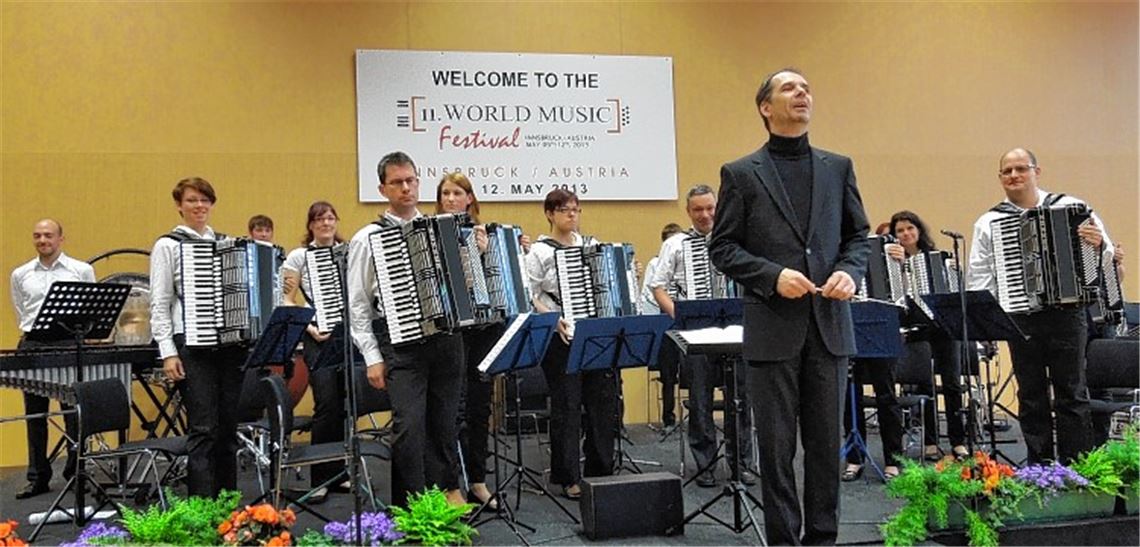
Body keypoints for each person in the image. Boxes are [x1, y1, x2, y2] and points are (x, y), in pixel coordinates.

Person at [709, 68, 870, 545]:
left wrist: (850, 271)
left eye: (806, 88)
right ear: (766, 107)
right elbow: (724, 248)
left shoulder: (837, 166)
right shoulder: (740, 173)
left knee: (824, 448)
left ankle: (823, 538)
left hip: (829, 327)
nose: (802, 93)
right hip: (772, 327)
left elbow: (858, 236)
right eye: (789, 88)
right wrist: (772, 277)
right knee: (777, 450)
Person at [966, 148, 1113, 465]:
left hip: (1069, 314)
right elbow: (979, 277)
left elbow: (1108, 258)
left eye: (1021, 168)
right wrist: (990, 323)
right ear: (1000, 178)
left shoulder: (1072, 207)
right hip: (1021, 317)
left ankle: (1078, 467)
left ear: (1037, 171)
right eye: (1007, 171)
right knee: (1031, 395)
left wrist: (1098, 245)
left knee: (1071, 392)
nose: (1014, 175)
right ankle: (1039, 466)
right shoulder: (990, 222)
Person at [347, 151, 466, 508]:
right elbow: (357, 305)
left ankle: (446, 495)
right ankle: (411, 507)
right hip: (400, 343)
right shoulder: (367, 238)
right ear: (383, 188)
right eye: (397, 182)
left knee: (445, 423)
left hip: (447, 339)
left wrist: (471, 254)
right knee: (409, 428)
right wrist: (371, 356)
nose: (406, 188)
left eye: (411, 180)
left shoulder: (442, 228)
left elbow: (462, 286)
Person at [651, 185, 755, 487]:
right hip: (696, 333)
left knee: (740, 399)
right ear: (688, 212)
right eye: (698, 209)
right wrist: (679, 315)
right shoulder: (675, 244)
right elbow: (658, 286)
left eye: (710, 208)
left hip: (737, 332)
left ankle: (742, 463)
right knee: (700, 401)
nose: (705, 214)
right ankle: (705, 465)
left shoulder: (736, 240)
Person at [150, 177, 246, 497]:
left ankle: (228, 504)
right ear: (179, 206)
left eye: (205, 200)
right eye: (192, 200)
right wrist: (168, 351)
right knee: (203, 429)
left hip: (229, 345)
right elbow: (160, 302)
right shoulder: (168, 245)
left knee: (228, 429)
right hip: (191, 346)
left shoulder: (227, 242)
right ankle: (202, 510)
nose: (199, 206)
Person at [524, 188, 619, 500]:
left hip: (593, 333)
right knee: (567, 405)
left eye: (576, 210)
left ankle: (601, 470)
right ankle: (568, 476)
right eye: (565, 210)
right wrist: (553, 319)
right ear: (550, 213)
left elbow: (606, 282)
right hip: (560, 335)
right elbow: (531, 294)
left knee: (602, 402)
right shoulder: (539, 252)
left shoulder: (591, 245)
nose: (572, 215)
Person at [9, 219, 92, 499]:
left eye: (48, 235)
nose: (42, 240)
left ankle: (75, 471)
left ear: (61, 239)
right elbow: (22, 310)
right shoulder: (20, 274)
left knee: (74, 413)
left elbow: (89, 309)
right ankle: (38, 476)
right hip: (33, 344)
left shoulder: (81, 270)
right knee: (35, 414)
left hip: (68, 342)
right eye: (37, 236)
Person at [434, 172, 500, 510]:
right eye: (445, 192)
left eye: (457, 192)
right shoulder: (430, 232)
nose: (450, 198)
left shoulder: (484, 234)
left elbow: (499, 286)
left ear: (469, 198)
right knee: (453, 409)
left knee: (479, 406)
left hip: (483, 328)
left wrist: (489, 254)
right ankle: (451, 485)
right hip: (450, 330)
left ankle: (478, 479)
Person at [280, 201, 350, 503]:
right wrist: (309, 326)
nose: (326, 223)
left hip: (345, 336)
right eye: (319, 219)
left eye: (330, 218)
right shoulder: (299, 256)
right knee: (326, 406)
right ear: (310, 225)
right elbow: (285, 297)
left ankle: (340, 473)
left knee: (346, 405)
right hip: (316, 337)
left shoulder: (347, 251)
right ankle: (319, 477)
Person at [889, 210, 970, 462]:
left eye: (910, 229)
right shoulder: (891, 262)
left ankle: (958, 441)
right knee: (925, 385)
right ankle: (931, 442)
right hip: (915, 328)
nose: (905, 234)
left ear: (919, 231)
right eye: (900, 231)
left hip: (944, 328)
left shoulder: (940, 257)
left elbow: (957, 292)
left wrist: (956, 272)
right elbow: (896, 294)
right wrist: (898, 267)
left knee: (952, 384)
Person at [842, 223, 906, 483]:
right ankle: (854, 458)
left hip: (883, 324)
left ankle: (894, 459)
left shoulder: (889, 248)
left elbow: (903, 293)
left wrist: (903, 264)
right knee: (850, 396)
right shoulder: (840, 248)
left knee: (886, 394)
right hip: (850, 323)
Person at [642, 222, 683, 427]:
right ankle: (669, 417)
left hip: (684, 321)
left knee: (691, 369)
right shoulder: (654, 264)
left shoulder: (689, 261)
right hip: (665, 322)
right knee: (668, 373)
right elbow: (649, 296)